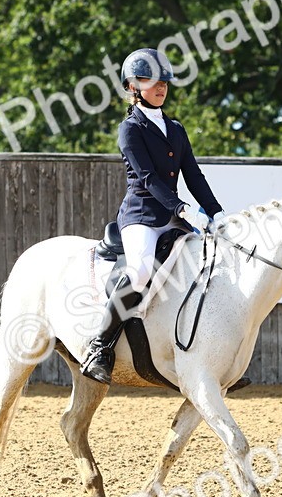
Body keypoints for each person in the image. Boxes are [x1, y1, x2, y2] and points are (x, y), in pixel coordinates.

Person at [80, 47, 227, 385]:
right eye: (152, 81)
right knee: (141, 269)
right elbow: (147, 177)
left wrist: (217, 213)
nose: (160, 87)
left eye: (164, 82)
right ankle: (100, 346)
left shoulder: (175, 128)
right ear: (133, 87)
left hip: (175, 217)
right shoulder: (129, 128)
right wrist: (182, 209)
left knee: (206, 261)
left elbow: (194, 175)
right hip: (142, 216)